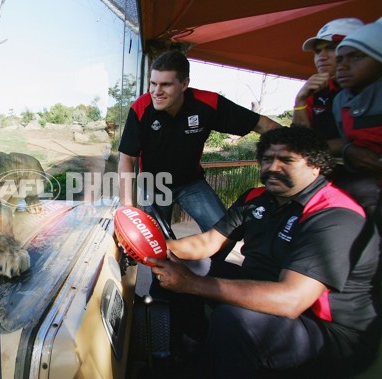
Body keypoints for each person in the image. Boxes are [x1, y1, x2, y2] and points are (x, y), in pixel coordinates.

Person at [148, 126, 381, 378]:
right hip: (269, 287)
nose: (272, 167)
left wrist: (191, 284)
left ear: (316, 166)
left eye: (287, 160)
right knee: (173, 265)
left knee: (234, 319)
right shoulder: (256, 198)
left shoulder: (334, 214)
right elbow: (206, 243)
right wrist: (152, 247)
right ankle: (189, 350)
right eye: (268, 159)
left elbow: (292, 300)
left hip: (327, 331)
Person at [118, 50, 280, 274]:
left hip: (191, 183)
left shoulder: (208, 103)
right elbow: (127, 159)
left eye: (165, 85)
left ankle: (206, 277)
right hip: (154, 185)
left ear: (184, 84)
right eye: (153, 84)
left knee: (226, 235)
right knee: (154, 246)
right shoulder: (140, 108)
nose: (156, 92)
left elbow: (262, 124)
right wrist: (127, 208)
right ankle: (164, 291)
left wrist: (296, 150)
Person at [333, 18, 382, 219]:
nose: (343, 66)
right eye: (340, 59)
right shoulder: (340, 101)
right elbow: (347, 141)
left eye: (356, 58)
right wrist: (349, 150)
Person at [293, 17, 363, 153]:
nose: (322, 57)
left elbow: (367, 142)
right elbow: (299, 139)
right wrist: (300, 99)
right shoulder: (315, 91)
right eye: (317, 51)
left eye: (331, 48)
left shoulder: (374, 88)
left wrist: (312, 149)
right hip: (324, 172)